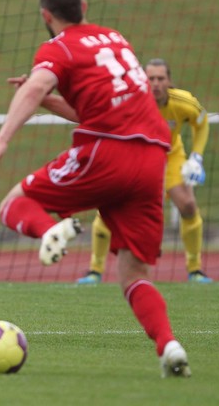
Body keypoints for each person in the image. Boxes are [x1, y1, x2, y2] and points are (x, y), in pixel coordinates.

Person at [0, 0, 191, 377]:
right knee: (133, 272)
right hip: (151, 160)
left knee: (14, 204)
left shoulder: (58, 47)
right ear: (85, 7)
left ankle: (49, 232)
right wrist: (45, 98)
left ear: (45, 15)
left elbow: (36, 86)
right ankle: (169, 346)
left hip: (107, 153)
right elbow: (89, 108)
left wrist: (1, 141)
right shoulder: (116, 38)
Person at [77, 58, 212, 285]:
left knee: (188, 205)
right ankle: (95, 270)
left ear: (169, 81)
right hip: (135, 157)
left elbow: (202, 121)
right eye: (151, 79)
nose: (156, 83)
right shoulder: (129, 99)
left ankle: (195, 269)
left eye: (161, 78)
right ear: (143, 79)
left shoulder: (184, 102)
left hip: (170, 156)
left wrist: (196, 157)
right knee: (107, 209)